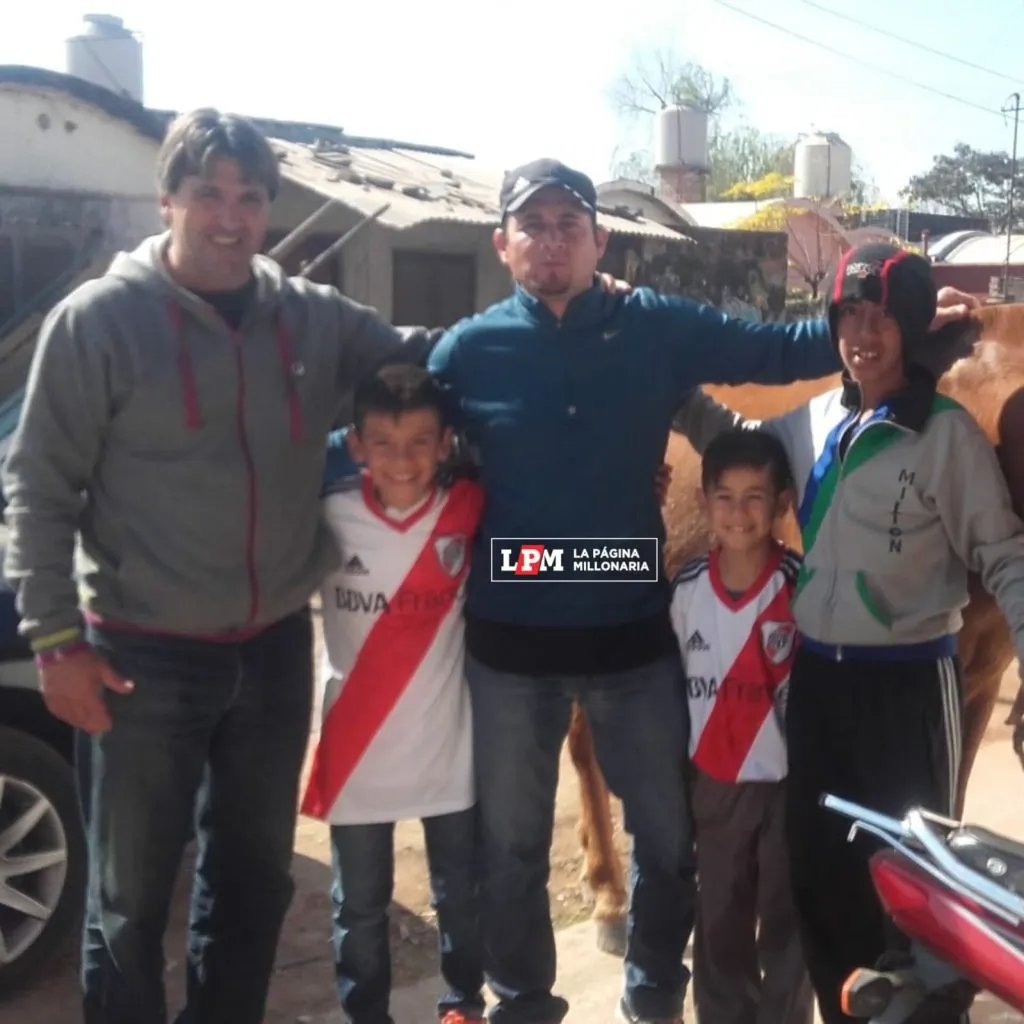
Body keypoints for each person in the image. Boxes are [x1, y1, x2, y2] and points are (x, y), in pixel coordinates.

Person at [425, 163, 975, 1024]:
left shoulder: (654, 328)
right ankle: (522, 1000)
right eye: (533, 225)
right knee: (513, 843)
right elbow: (399, 445)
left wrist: (892, 331)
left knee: (669, 841)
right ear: (503, 245)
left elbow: (774, 346)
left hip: (632, 637)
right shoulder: (465, 351)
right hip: (512, 650)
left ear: (602, 240)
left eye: (572, 222)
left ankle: (651, 994)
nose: (554, 239)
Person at [0, 108, 445, 1024]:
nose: (231, 217)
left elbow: (423, 364)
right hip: (138, 655)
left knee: (249, 887)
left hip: (271, 647)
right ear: (168, 199)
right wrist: (54, 642)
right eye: (209, 195)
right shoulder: (100, 323)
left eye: (250, 197)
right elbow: (37, 490)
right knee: (126, 906)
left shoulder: (311, 321)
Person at [672, 242, 1024, 1023]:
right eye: (848, 315)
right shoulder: (816, 418)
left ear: (906, 324)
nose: (862, 332)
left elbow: (1004, 559)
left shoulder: (943, 436)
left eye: (881, 316)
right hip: (820, 684)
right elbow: (732, 434)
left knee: (910, 896)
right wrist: (658, 363)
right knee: (822, 881)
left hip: (905, 688)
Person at [300, 364, 486, 1024]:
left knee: (461, 896)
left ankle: (461, 1003)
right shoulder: (326, 516)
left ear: (445, 445)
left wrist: (629, 548)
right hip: (356, 751)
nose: (402, 461)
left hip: (447, 749)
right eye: (383, 442)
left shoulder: (472, 508)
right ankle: (365, 1014)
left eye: (419, 443)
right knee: (360, 907)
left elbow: (544, 551)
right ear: (354, 446)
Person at [671, 428, 812, 1024]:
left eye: (756, 496)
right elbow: (672, 691)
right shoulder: (683, 591)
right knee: (720, 919)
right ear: (704, 504)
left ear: (782, 503)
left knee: (787, 921)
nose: (739, 512)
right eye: (724, 497)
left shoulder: (802, 587)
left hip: (786, 786)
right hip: (716, 786)